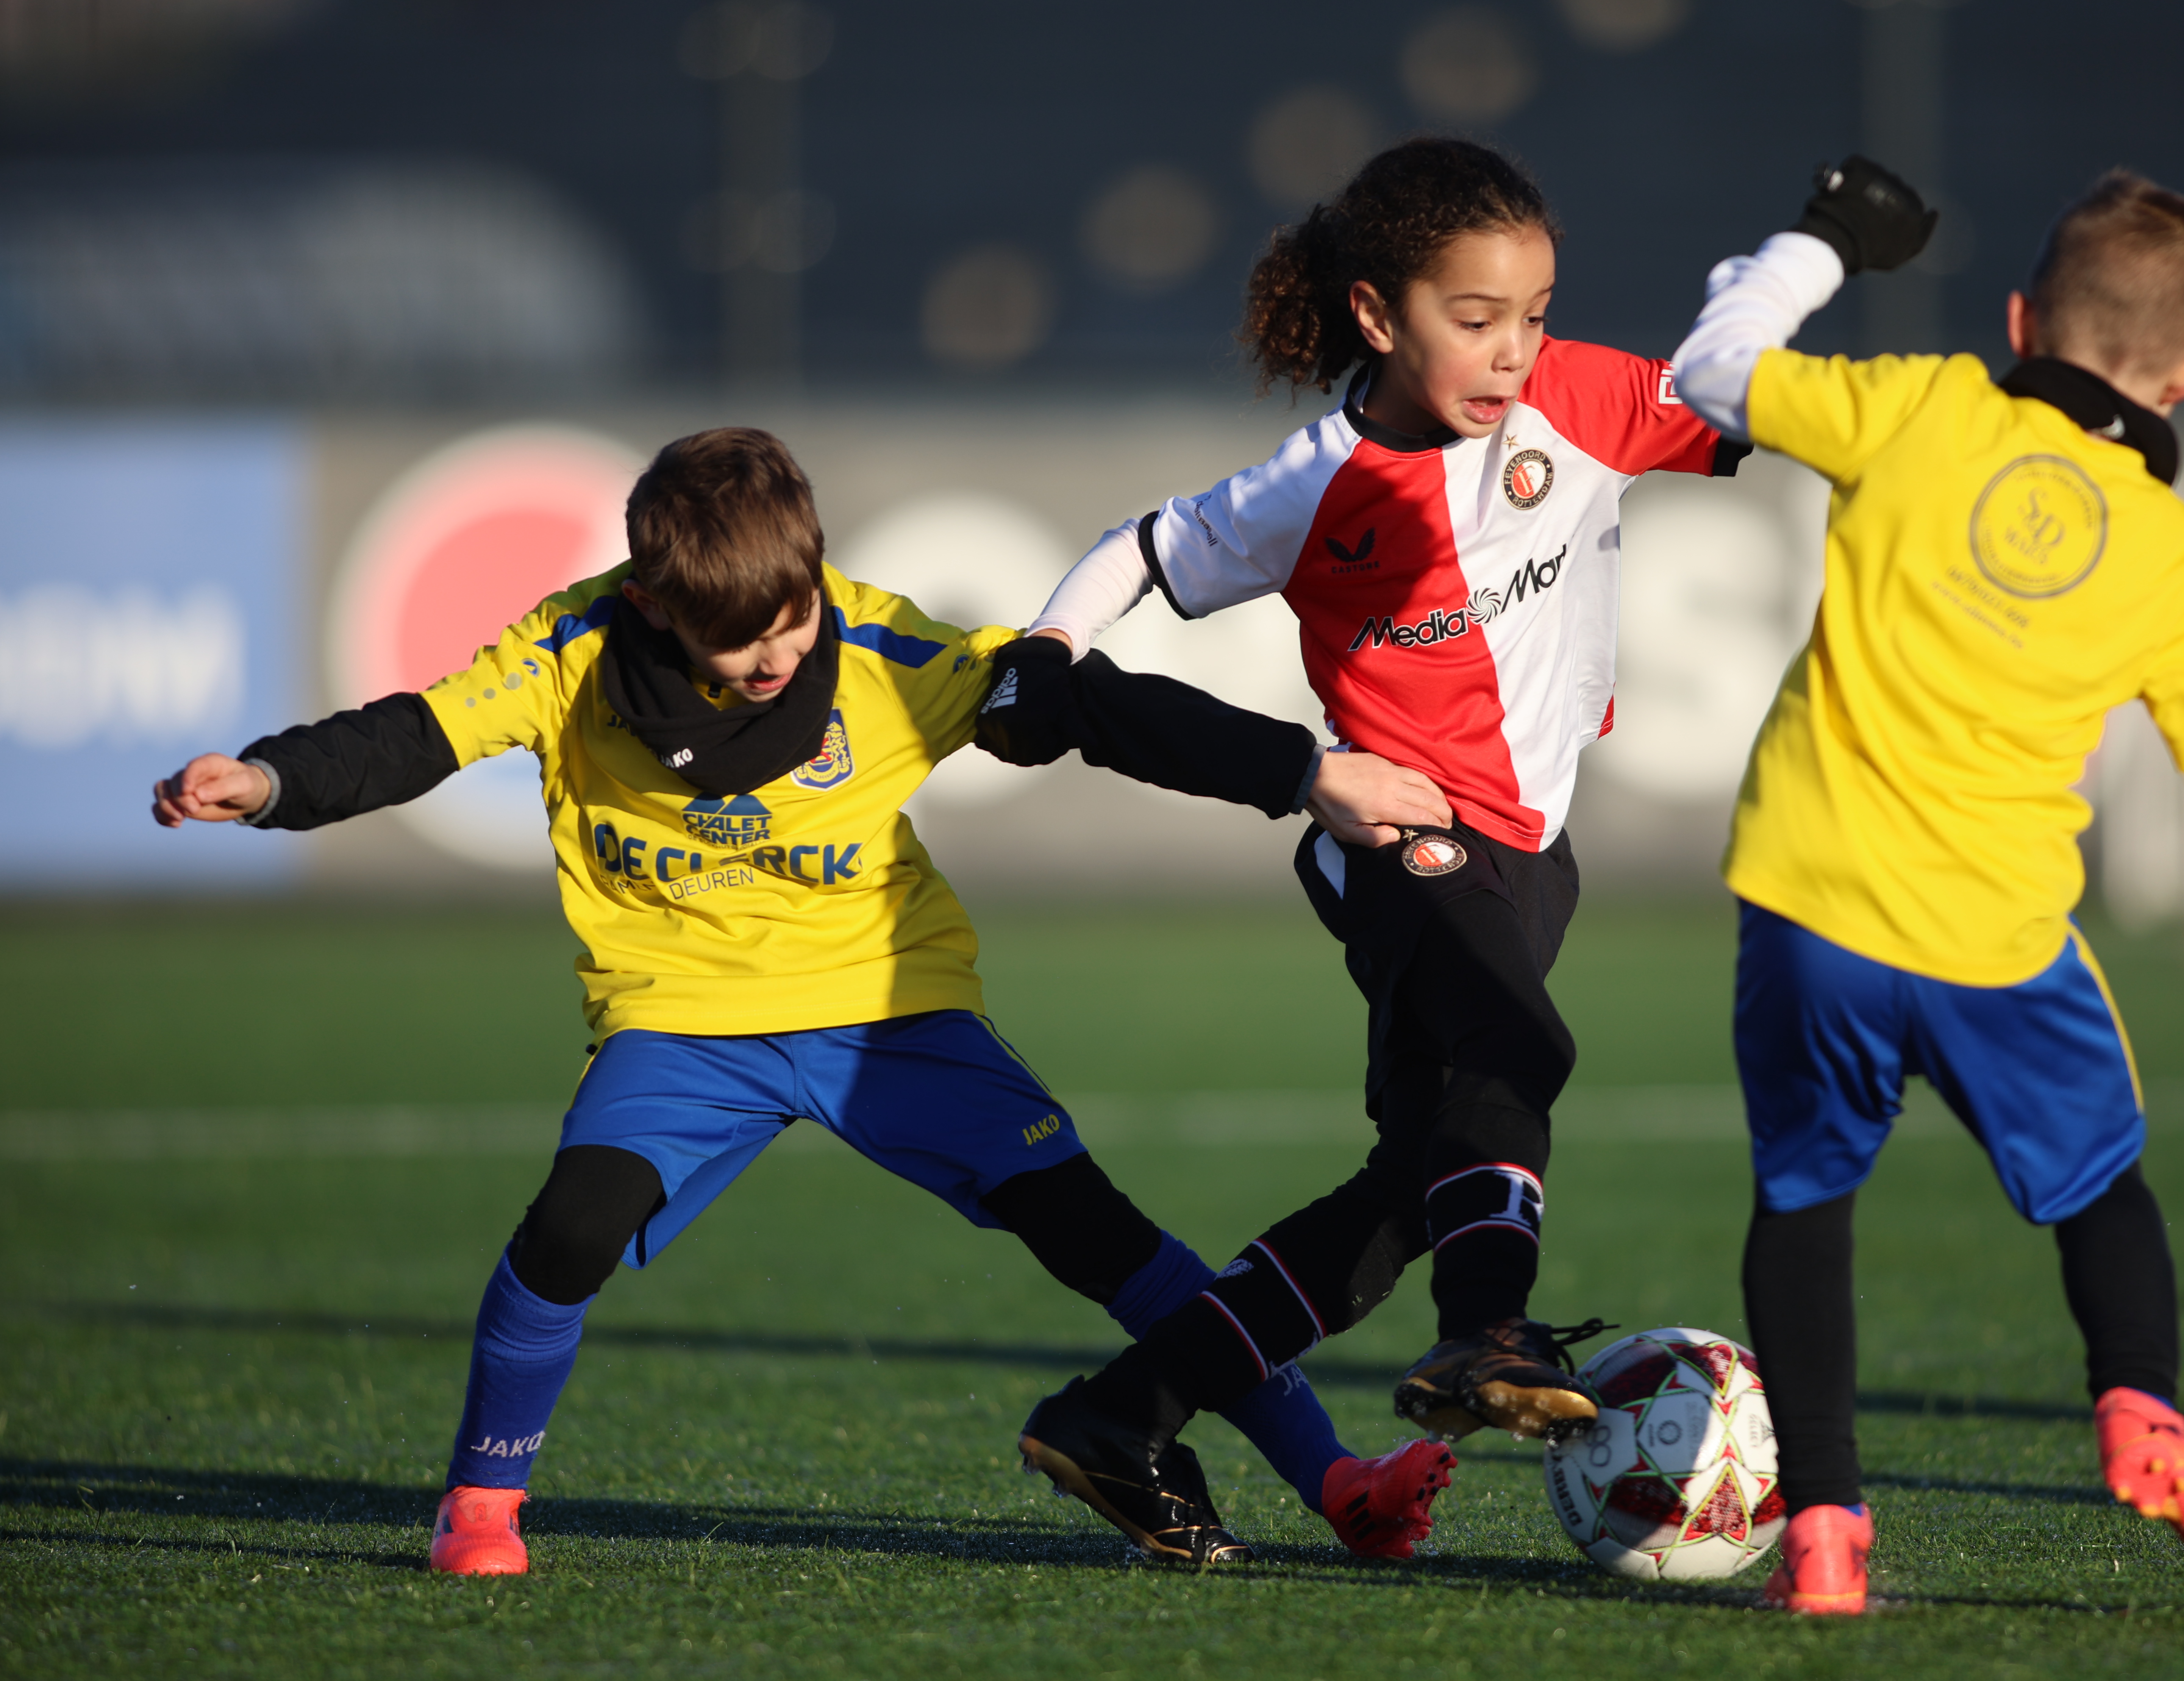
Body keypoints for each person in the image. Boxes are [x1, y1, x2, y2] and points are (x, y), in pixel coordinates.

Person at [147, 427, 1464, 1572]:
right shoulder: (573, 647)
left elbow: (1084, 709)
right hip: (680, 1018)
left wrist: (1303, 773)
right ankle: (479, 1505)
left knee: (1100, 1238)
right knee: (567, 1233)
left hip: (889, 1009)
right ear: (658, 604)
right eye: (740, 637)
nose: (778, 653)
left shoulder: (884, 645)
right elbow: (409, 735)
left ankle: (1336, 1480)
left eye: (792, 622)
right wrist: (268, 784)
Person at [1668, 159, 2184, 1613]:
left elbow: (1715, 369)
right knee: (2103, 1191)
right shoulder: (2174, 556)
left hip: (1810, 902)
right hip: (1994, 937)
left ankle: (1828, 1539)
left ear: (2022, 315)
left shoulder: (1919, 406)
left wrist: (1828, 238)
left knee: (1803, 1205)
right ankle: (2140, 1415)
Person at [974, 137, 1747, 1545]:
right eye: (1475, 318)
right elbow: (1145, 549)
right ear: (1381, 316)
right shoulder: (1317, 482)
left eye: (1534, 312)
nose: (1515, 350)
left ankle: (1122, 1416)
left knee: (1410, 1190)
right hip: (1401, 836)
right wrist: (1046, 646)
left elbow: (1757, 411)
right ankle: (1490, 1333)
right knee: (1518, 1055)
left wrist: (1809, 304)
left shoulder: (1580, 395)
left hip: (1531, 846)